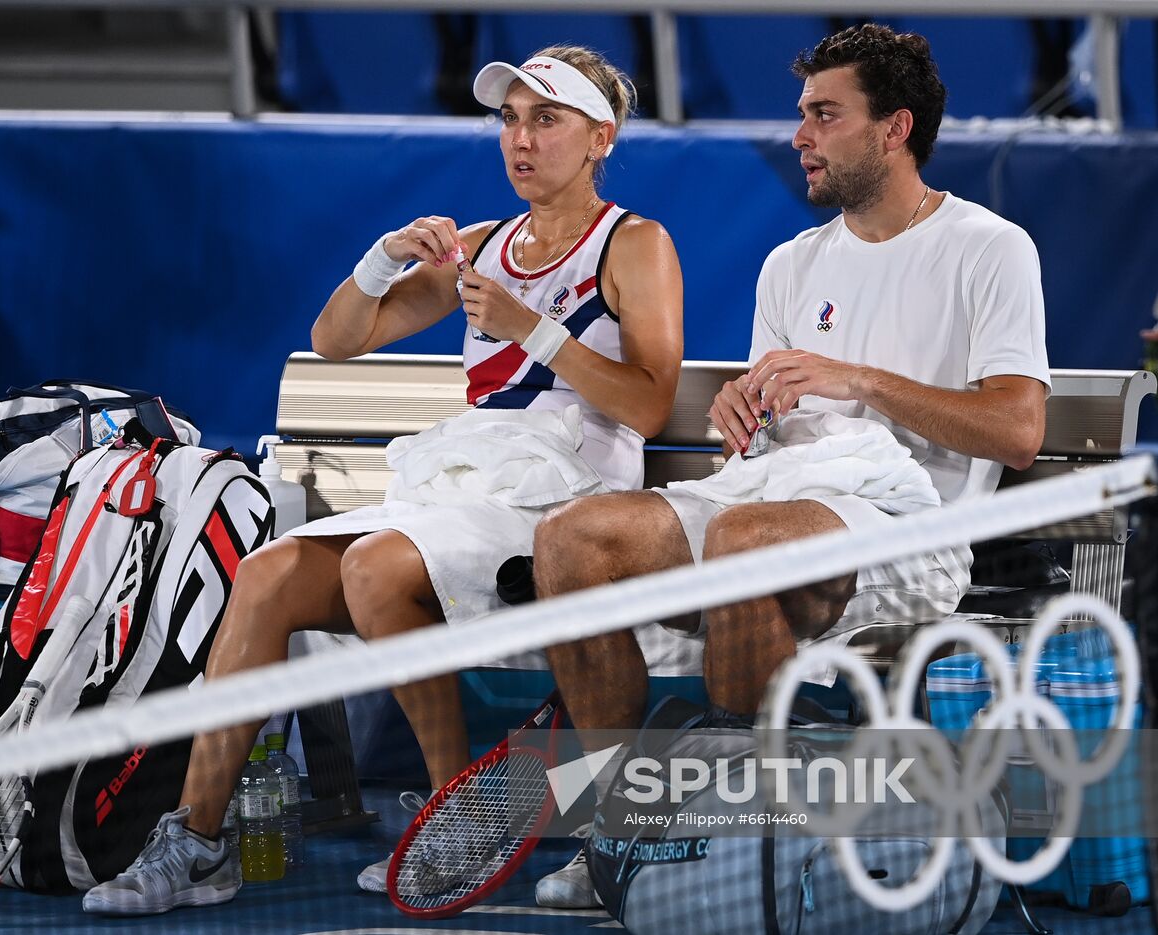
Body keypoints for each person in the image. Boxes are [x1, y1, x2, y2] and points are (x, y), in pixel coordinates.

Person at [81, 44, 684, 916]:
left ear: (601, 137)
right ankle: (198, 837)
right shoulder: (481, 245)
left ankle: (455, 818)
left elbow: (653, 406)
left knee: (371, 567)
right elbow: (336, 338)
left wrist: (532, 331)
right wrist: (382, 260)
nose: (520, 138)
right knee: (268, 576)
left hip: (565, 502)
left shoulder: (636, 243)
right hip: (460, 491)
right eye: (510, 119)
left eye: (545, 119)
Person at [529, 23, 1050, 910]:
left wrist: (861, 380)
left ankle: (735, 858)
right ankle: (607, 823)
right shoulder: (791, 264)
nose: (799, 136)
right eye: (801, 114)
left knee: (748, 543)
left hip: (914, 525)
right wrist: (745, 416)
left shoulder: (990, 247)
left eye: (823, 114)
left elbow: (1019, 429)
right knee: (578, 538)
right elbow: (767, 440)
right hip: (775, 502)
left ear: (895, 128)